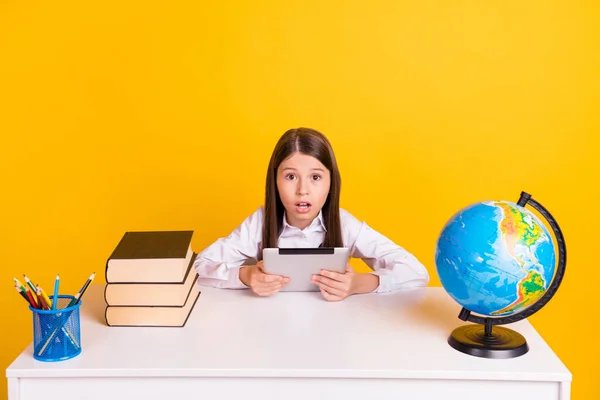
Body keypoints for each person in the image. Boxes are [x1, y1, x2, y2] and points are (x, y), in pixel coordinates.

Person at [194, 127, 429, 301]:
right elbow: (197, 267)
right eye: (290, 177)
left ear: (331, 182)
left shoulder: (344, 224)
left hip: (332, 334)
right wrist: (245, 275)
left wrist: (359, 283)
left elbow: (417, 272)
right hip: (268, 330)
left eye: (315, 177)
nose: (302, 190)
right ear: (274, 181)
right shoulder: (260, 221)